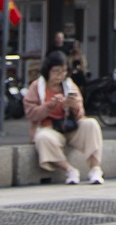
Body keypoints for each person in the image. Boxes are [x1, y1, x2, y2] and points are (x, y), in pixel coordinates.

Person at [24, 50, 105, 183]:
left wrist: (74, 106)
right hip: (49, 128)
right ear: (47, 71)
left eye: (64, 71)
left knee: (91, 124)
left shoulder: (69, 85)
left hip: (70, 127)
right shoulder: (36, 87)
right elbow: (30, 113)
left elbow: (81, 115)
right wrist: (49, 106)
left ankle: (95, 169)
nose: (60, 75)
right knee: (43, 138)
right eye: (56, 71)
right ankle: (69, 170)